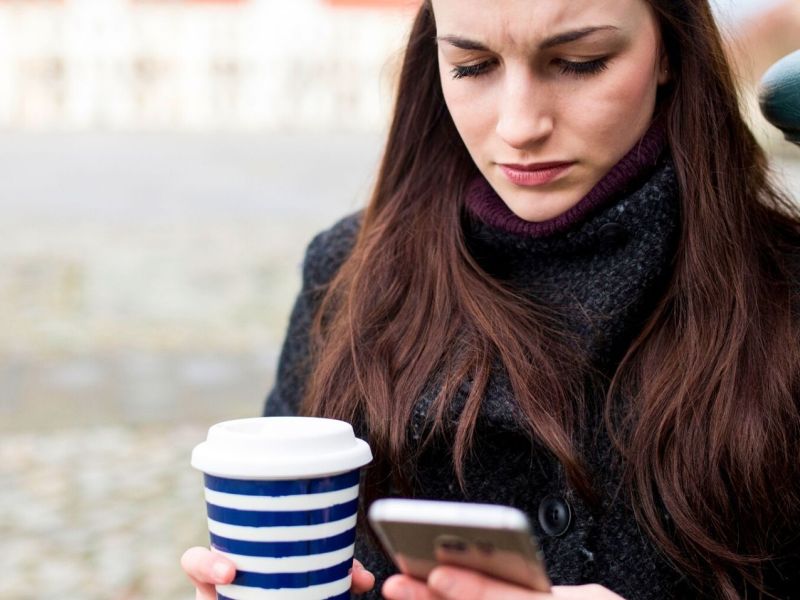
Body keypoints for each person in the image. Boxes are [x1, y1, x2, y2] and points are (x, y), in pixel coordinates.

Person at [181, 0, 800, 598]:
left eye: (580, 61)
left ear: (669, 50)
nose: (519, 126)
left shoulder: (782, 286)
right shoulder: (346, 273)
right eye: (472, 67)